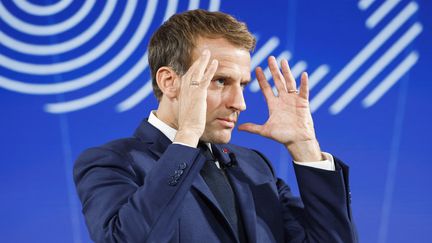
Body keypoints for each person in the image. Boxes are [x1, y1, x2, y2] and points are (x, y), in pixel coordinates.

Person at [74, 9, 358, 243]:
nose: (240, 103)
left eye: (242, 85)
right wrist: (186, 137)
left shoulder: (255, 167)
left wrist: (305, 149)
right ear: (169, 82)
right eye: (220, 81)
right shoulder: (112, 162)